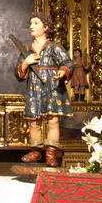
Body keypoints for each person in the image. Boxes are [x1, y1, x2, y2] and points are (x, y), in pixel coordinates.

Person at [16, 13, 73, 166]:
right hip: (34, 86)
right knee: (34, 121)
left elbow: (67, 62)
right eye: (31, 23)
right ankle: (35, 151)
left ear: (46, 27)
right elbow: (19, 74)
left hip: (52, 85)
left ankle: (51, 153)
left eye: (36, 23)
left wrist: (62, 71)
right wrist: (26, 63)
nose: (31, 26)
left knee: (53, 121)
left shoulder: (55, 46)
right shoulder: (27, 49)